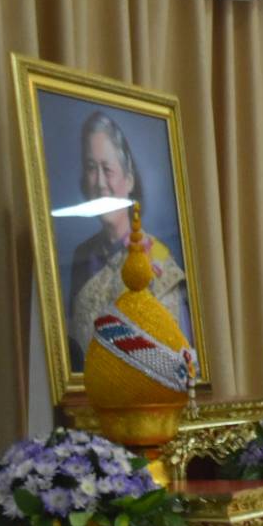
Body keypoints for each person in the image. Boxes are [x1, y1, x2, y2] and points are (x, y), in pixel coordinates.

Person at [65, 110, 189, 366]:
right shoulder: (81, 256)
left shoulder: (157, 257)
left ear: (129, 179)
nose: (100, 183)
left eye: (107, 169)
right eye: (91, 168)